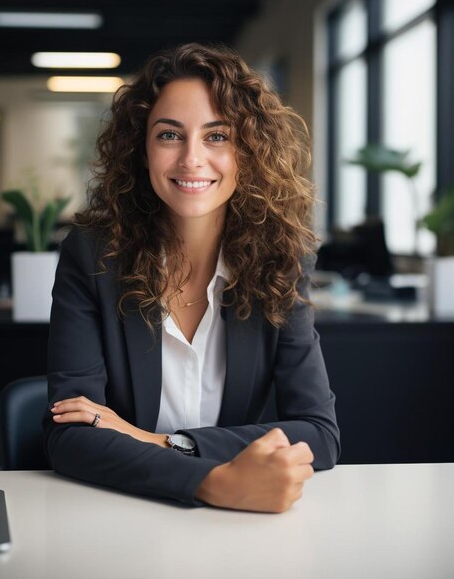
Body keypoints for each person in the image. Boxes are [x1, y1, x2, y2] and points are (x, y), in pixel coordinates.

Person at [43, 43, 340, 513]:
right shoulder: (94, 254)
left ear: (249, 150)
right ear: (141, 150)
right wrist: (213, 483)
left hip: (235, 524)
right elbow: (69, 435)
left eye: (217, 136)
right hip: (114, 513)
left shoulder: (282, 260)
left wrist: (158, 441)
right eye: (169, 135)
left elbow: (319, 434)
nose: (191, 158)